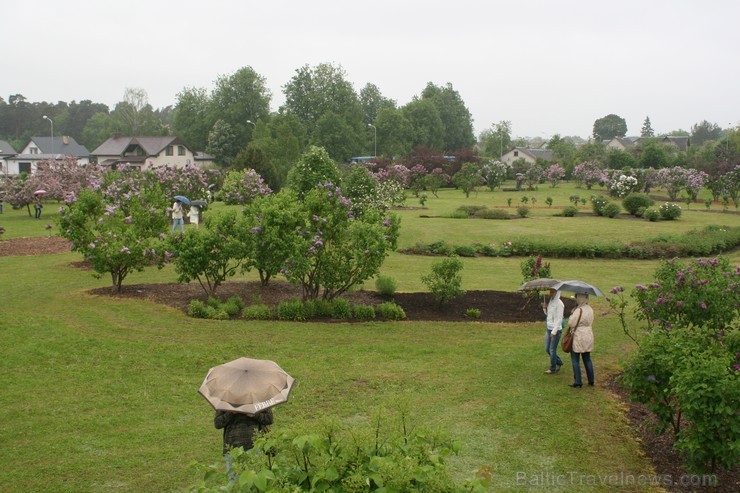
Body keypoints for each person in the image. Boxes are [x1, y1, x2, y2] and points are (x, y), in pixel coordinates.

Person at [215, 408, 274, 477]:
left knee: (254, 480)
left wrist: (254, 414)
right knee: (233, 483)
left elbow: (269, 419)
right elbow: (218, 423)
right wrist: (231, 412)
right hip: (232, 448)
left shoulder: (257, 398)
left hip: (253, 446)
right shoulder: (226, 400)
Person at [567, 293, 595, 388]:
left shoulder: (578, 310)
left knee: (575, 359)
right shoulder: (590, 309)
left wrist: (572, 314)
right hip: (588, 334)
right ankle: (591, 380)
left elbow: (571, 323)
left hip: (579, 335)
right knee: (587, 358)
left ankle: (578, 381)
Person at [543, 288, 565, 374]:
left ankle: (552, 368)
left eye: (553, 292)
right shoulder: (551, 301)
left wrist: (554, 331)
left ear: (557, 292)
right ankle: (559, 362)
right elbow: (549, 316)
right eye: (550, 292)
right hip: (549, 328)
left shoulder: (560, 304)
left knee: (552, 350)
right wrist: (545, 308)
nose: (551, 293)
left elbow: (559, 319)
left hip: (555, 330)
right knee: (547, 348)